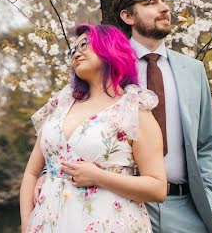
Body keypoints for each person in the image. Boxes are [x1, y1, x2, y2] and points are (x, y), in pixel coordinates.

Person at [20, 23, 167, 232]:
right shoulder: (60, 104)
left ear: (110, 47)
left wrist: (99, 177)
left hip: (110, 223)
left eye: (84, 45)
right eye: (73, 49)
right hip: (48, 224)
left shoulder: (134, 110)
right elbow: (31, 173)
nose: (76, 53)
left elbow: (157, 188)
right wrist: (27, 223)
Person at [113, 0, 212, 233]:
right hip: (125, 205)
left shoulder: (194, 70)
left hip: (187, 208)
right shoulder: (110, 70)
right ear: (128, 16)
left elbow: (206, 142)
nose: (164, 8)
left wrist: (208, 199)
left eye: (163, 2)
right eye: (151, 4)